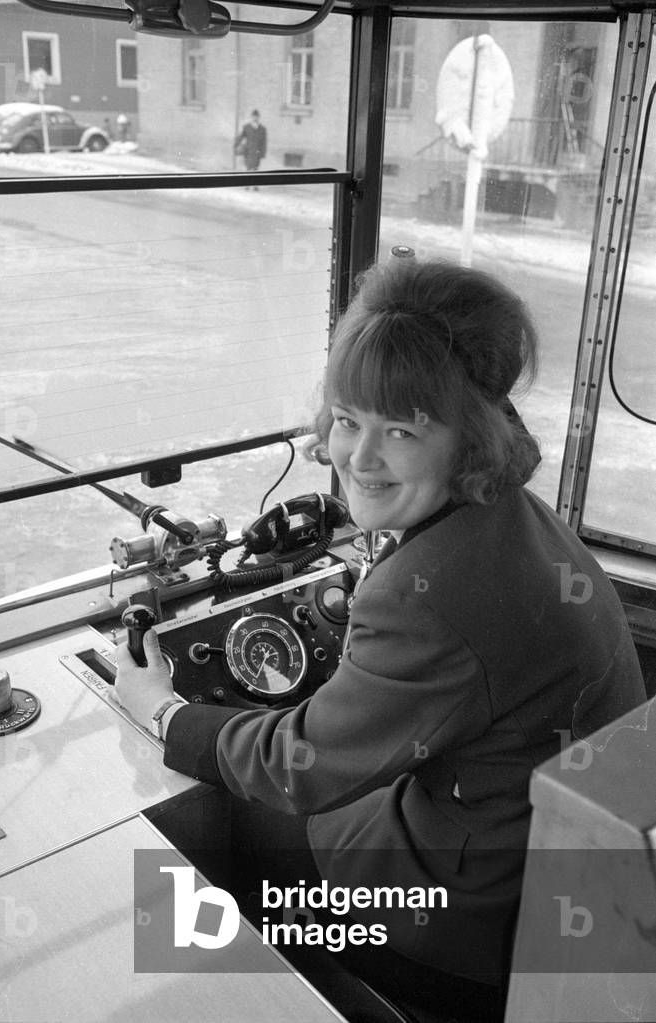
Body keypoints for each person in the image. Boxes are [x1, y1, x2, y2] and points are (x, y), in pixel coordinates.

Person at [114, 257, 646, 1022]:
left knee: (228, 828)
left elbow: (296, 767)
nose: (358, 458)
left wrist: (161, 711)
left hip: (470, 922)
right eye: (347, 419)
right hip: (542, 866)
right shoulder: (513, 514)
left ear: (467, 437)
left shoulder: (425, 598)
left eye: (401, 429)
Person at [234, 109, 267, 183]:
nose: (255, 118)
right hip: (248, 150)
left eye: (257, 116)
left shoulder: (262, 129)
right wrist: (236, 144)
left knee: (256, 168)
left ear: (258, 117)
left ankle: (255, 184)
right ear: (252, 117)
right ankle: (247, 184)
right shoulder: (246, 127)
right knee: (248, 167)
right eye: (254, 116)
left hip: (257, 151)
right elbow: (241, 136)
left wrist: (263, 153)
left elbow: (264, 142)